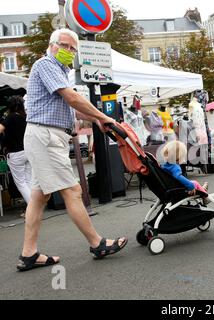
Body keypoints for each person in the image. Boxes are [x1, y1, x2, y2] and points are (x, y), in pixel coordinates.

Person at [17, 28, 127, 272]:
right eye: (64, 46)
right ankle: (96, 243)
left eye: (72, 49)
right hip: (45, 136)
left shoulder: (59, 71)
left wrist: (95, 119)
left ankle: (28, 254)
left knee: (39, 196)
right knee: (73, 190)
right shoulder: (46, 64)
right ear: (51, 44)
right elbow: (71, 98)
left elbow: (70, 108)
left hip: (44, 135)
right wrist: (103, 116)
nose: (68, 51)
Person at [0, 96, 31, 217]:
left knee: (21, 183)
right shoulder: (25, 117)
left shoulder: (10, 117)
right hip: (28, 151)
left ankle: (33, 209)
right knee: (29, 181)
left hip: (15, 154)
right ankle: (32, 209)